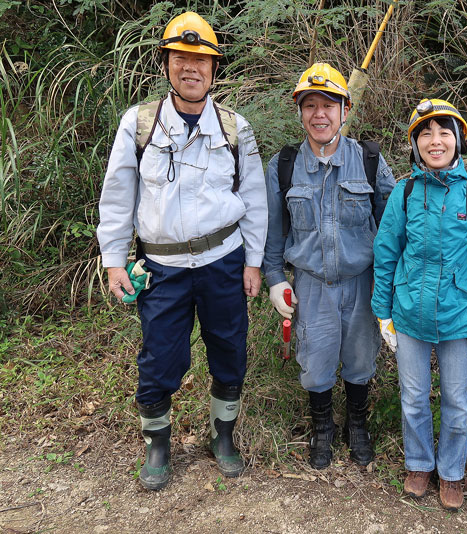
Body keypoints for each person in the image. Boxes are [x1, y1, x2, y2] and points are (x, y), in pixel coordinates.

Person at [96, 12, 267, 490]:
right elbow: (117, 195)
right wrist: (113, 260)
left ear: (214, 69)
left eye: (201, 60)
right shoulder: (140, 123)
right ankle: (158, 444)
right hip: (162, 266)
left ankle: (223, 435)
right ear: (166, 64)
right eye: (181, 58)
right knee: (160, 358)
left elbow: (254, 199)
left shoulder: (235, 127)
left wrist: (253, 261)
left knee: (230, 349)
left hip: (224, 261)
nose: (191, 68)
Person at [262, 62, 396, 469]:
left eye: (329, 104)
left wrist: (388, 284)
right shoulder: (282, 167)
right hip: (311, 285)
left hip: (362, 283)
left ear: (345, 108)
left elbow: (393, 228)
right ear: (299, 111)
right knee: (316, 364)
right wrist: (273, 280)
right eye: (310, 105)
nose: (319, 114)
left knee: (360, 361)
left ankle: (357, 423)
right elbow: (273, 235)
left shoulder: (370, 160)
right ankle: (322, 427)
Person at [372, 98, 467, 511]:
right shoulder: (404, 193)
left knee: (457, 401)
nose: (435, 140)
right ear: (414, 144)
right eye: (425, 133)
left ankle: (451, 473)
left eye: (444, 132)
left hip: (458, 316)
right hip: (409, 311)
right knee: (412, 396)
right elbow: (386, 251)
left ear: (458, 140)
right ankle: (418, 464)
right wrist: (383, 313)